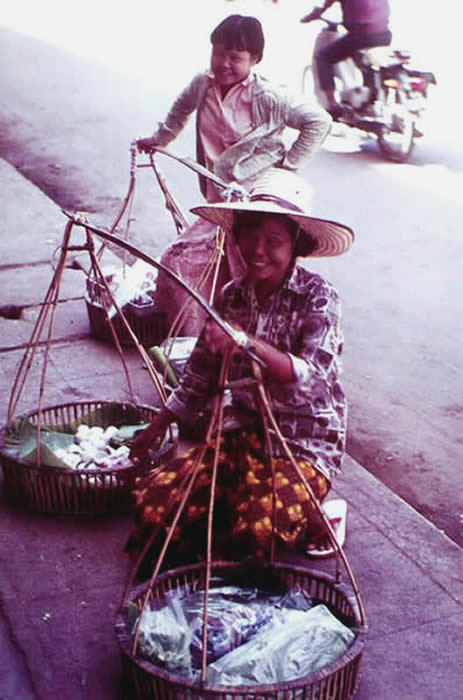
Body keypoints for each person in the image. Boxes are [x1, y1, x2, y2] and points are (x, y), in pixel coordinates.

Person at [125, 168, 354, 577]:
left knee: (254, 530)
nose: (257, 251)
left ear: (297, 244)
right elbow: (199, 375)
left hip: (304, 444)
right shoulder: (232, 297)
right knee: (157, 504)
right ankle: (291, 511)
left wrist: (247, 343)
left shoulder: (318, 297)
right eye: (249, 236)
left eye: (273, 240)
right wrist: (158, 426)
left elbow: (313, 381)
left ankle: (319, 513)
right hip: (246, 433)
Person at [136, 14, 332, 336]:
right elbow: (180, 109)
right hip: (222, 203)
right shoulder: (202, 85)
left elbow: (319, 122)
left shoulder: (268, 97)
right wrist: (159, 139)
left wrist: (285, 171)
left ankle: (255, 343)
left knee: (254, 275)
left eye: (235, 57)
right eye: (218, 53)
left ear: (255, 59)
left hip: (257, 207)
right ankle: (203, 342)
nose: (224, 63)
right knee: (185, 265)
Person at [301, 0, 391, 118]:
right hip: (384, 35)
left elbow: (323, 6)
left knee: (323, 57)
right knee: (364, 62)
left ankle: (331, 104)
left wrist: (312, 16)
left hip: (361, 35)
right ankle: (365, 97)